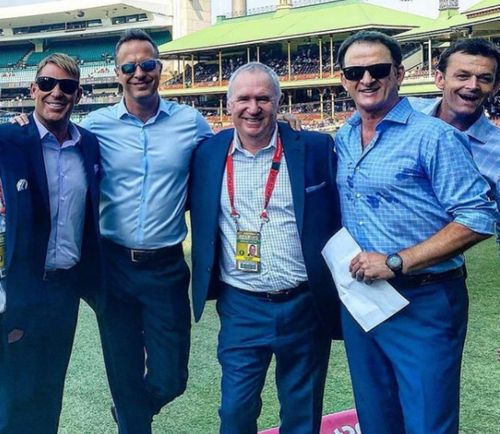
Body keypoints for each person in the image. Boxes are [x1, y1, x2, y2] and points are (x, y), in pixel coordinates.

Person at [335, 31, 496, 434]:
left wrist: (396, 261)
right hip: (362, 301)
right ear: (344, 79)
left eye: (378, 69)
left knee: (427, 422)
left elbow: (478, 217)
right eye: (356, 71)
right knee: (377, 418)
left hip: (424, 298)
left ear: (400, 74)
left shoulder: (435, 136)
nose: (367, 79)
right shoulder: (345, 136)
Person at [189, 62, 342, 434]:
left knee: (301, 413)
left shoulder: (317, 148)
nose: (253, 108)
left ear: (278, 102)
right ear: (229, 105)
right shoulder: (207, 154)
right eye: (243, 98)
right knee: (235, 412)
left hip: (304, 304)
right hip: (241, 305)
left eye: (263, 98)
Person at [80, 29, 212, 433]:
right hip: (112, 266)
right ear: (117, 73)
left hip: (166, 267)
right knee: (123, 377)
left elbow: (228, 155)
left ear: (160, 68)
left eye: (148, 64)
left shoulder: (191, 123)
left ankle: (133, 411)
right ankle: (132, 416)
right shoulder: (94, 126)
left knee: (172, 378)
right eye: (129, 66)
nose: (139, 72)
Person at [0, 53, 102, 434]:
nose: (56, 92)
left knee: (50, 389)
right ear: (32, 89)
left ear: (77, 94)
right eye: (47, 83)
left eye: (67, 86)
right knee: (14, 396)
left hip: (65, 291)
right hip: (21, 290)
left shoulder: (88, 145)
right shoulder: (10, 138)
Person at [408, 38, 500, 254]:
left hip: (436, 274)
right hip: (366, 263)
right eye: (462, 76)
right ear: (440, 79)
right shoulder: (406, 113)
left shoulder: (497, 151)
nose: (473, 86)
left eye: (484, 79)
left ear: (495, 87)